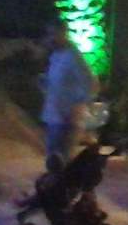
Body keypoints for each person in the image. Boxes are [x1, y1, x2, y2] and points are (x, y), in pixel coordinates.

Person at [39, 24, 99, 172]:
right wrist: (44, 82)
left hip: (67, 120)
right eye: (48, 35)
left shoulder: (74, 57)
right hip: (54, 117)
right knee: (54, 162)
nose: (50, 39)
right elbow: (58, 84)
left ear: (63, 34)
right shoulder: (55, 56)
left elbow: (91, 84)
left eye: (53, 35)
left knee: (62, 163)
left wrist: (78, 107)